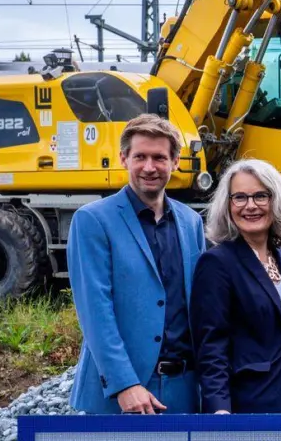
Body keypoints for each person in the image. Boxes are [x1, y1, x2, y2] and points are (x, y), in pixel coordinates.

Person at [69, 114, 206, 415]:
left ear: (175, 161)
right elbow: (95, 310)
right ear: (124, 159)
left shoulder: (191, 222)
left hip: (183, 390)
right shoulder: (93, 220)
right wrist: (124, 384)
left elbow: (198, 305)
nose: (149, 167)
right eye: (140, 156)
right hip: (120, 397)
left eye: (159, 158)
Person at [191, 159, 281, 414]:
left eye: (260, 196)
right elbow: (211, 346)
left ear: (276, 201)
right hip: (246, 403)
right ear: (228, 205)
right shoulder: (217, 262)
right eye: (240, 197)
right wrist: (219, 409)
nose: (250, 205)